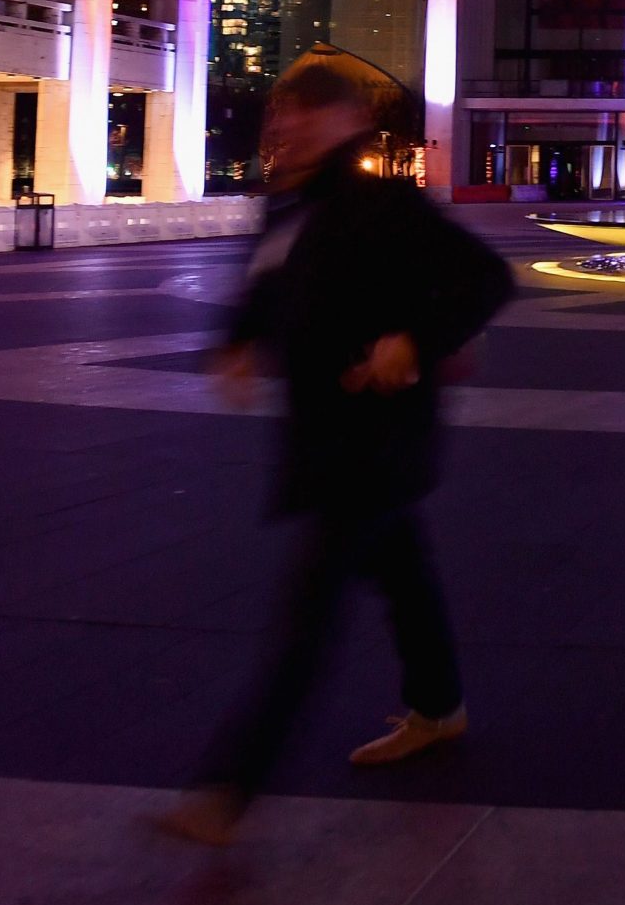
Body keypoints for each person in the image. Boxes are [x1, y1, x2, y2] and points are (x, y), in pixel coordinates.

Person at [160, 45, 513, 846]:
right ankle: (440, 707)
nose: (288, 126)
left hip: (376, 439)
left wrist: (413, 339)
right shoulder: (283, 206)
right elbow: (261, 286)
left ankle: (227, 785)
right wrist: (237, 341)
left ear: (348, 122)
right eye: (284, 113)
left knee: (308, 613)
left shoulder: (381, 205)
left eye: (308, 113)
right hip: (322, 436)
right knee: (405, 574)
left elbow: (486, 278)